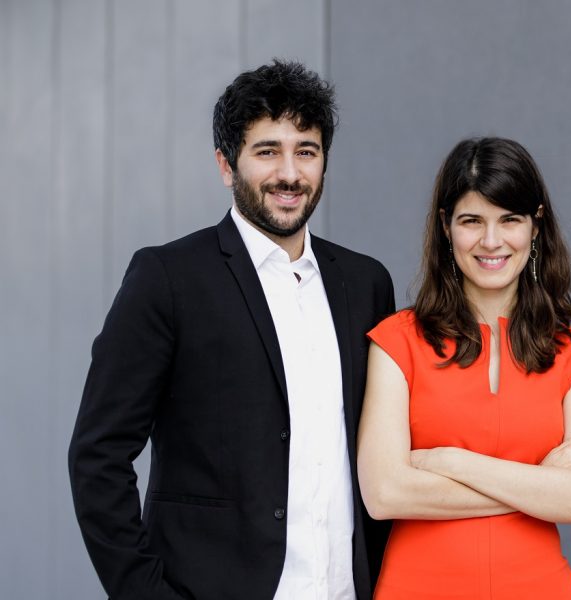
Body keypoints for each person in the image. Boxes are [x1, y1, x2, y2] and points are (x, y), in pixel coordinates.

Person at [68, 60, 394, 600]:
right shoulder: (168, 278)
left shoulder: (365, 284)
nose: (289, 173)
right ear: (226, 164)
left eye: (306, 152)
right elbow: (97, 456)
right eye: (267, 151)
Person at [357, 137, 571, 599]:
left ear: (535, 226)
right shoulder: (397, 341)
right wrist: (539, 482)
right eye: (472, 221)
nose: (491, 241)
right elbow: (384, 494)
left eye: (509, 220)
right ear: (446, 227)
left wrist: (451, 462)